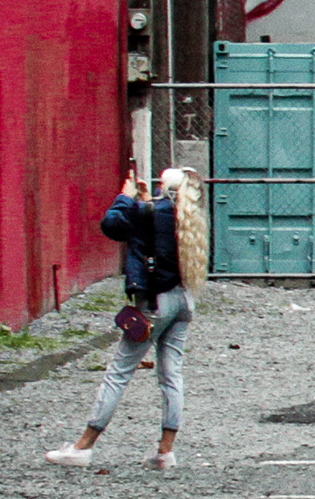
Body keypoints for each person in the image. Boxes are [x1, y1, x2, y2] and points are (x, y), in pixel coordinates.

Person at [46, 166, 209, 469]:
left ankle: (83, 446)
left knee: (119, 372)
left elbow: (111, 225)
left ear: (163, 186)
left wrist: (125, 196)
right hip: (183, 299)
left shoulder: (142, 211)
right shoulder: (189, 216)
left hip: (154, 302)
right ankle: (165, 451)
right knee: (171, 375)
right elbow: (158, 224)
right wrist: (145, 202)